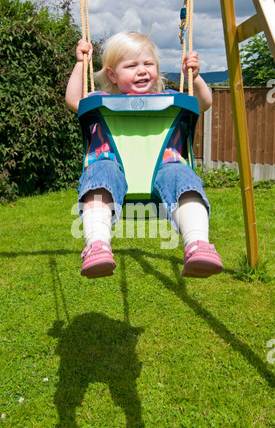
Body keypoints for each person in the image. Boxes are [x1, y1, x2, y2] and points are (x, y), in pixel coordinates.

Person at [65, 31, 223, 279]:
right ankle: (97, 245)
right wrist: (80, 64)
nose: (142, 70)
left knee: (184, 179)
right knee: (99, 178)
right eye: (131, 65)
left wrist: (196, 77)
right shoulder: (100, 100)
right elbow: (73, 99)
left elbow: (203, 102)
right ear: (112, 75)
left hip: (165, 168)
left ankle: (198, 244)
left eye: (148, 64)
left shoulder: (169, 98)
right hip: (111, 167)